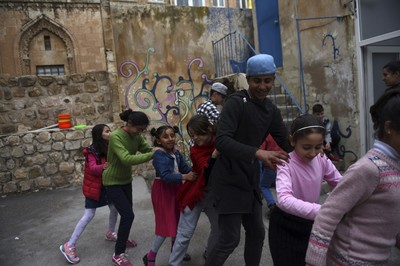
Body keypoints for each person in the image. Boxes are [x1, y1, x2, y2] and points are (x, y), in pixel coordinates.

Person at [204, 54, 292, 266]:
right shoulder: (236, 103)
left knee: (257, 233)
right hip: (228, 179)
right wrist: (258, 153)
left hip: (249, 179)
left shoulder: (271, 110)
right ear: (249, 79)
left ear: (273, 79)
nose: (262, 86)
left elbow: (287, 142)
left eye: (267, 80)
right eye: (257, 80)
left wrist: (312, 151)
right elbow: (223, 141)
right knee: (229, 238)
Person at [306, 89, 400, 265]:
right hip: (350, 260)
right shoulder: (369, 169)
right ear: (389, 128)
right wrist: (313, 261)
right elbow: (328, 214)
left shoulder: (395, 166)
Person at [268, 114, 342, 265]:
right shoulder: (286, 163)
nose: (313, 153)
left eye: (318, 146)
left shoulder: (321, 159)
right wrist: (323, 211)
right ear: (292, 141)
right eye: (306, 147)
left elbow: (341, 184)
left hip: (312, 224)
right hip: (285, 226)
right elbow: (284, 200)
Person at [60, 124, 137, 264]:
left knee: (114, 208)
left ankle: (111, 232)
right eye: (107, 131)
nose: (110, 133)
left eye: (110, 130)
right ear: (98, 135)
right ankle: (69, 245)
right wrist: (104, 166)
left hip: (109, 185)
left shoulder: (110, 146)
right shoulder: (91, 151)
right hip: (94, 188)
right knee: (89, 215)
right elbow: (94, 168)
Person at [103, 110, 154, 266]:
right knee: (128, 215)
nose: (140, 133)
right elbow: (126, 159)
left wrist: (159, 149)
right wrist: (153, 155)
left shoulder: (136, 136)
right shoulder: (115, 136)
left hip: (125, 180)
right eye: (139, 129)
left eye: (142, 130)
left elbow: (146, 149)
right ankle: (118, 254)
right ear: (129, 124)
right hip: (112, 181)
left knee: (127, 215)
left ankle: (123, 239)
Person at [169, 114, 219, 266]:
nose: (195, 138)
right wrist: (215, 155)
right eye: (192, 135)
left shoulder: (221, 142)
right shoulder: (195, 150)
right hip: (195, 193)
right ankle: (174, 263)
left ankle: (209, 254)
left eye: (198, 133)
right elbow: (206, 170)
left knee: (219, 229)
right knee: (185, 232)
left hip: (213, 195)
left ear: (209, 129)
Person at [143, 125, 196, 266]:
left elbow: (185, 167)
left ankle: (176, 251)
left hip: (176, 190)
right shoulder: (159, 155)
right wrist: (186, 176)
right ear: (158, 140)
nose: (170, 139)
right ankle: (150, 256)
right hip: (163, 192)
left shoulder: (175, 152)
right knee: (166, 226)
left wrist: (196, 171)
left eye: (172, 135)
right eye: (165, 136)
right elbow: (165, 176)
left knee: (178, 222)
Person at [259, 134, 282, 218]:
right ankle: (283, 206)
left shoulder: (267, 136)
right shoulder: (282, 134)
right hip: (283, 165)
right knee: (281, 187)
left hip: (271, 166)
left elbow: (261, 151)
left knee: (263, 186)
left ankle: (272, 205)